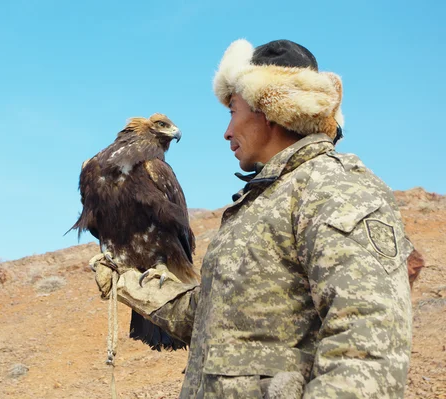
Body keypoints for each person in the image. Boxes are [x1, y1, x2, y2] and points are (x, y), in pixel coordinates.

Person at [93, 38, 413, 398]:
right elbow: (211, 315)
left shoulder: (334, 188)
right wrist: (132, 283)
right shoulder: (262, 201)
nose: (227, 131)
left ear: (270, 108)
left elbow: (367, 345)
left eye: (233, 111)